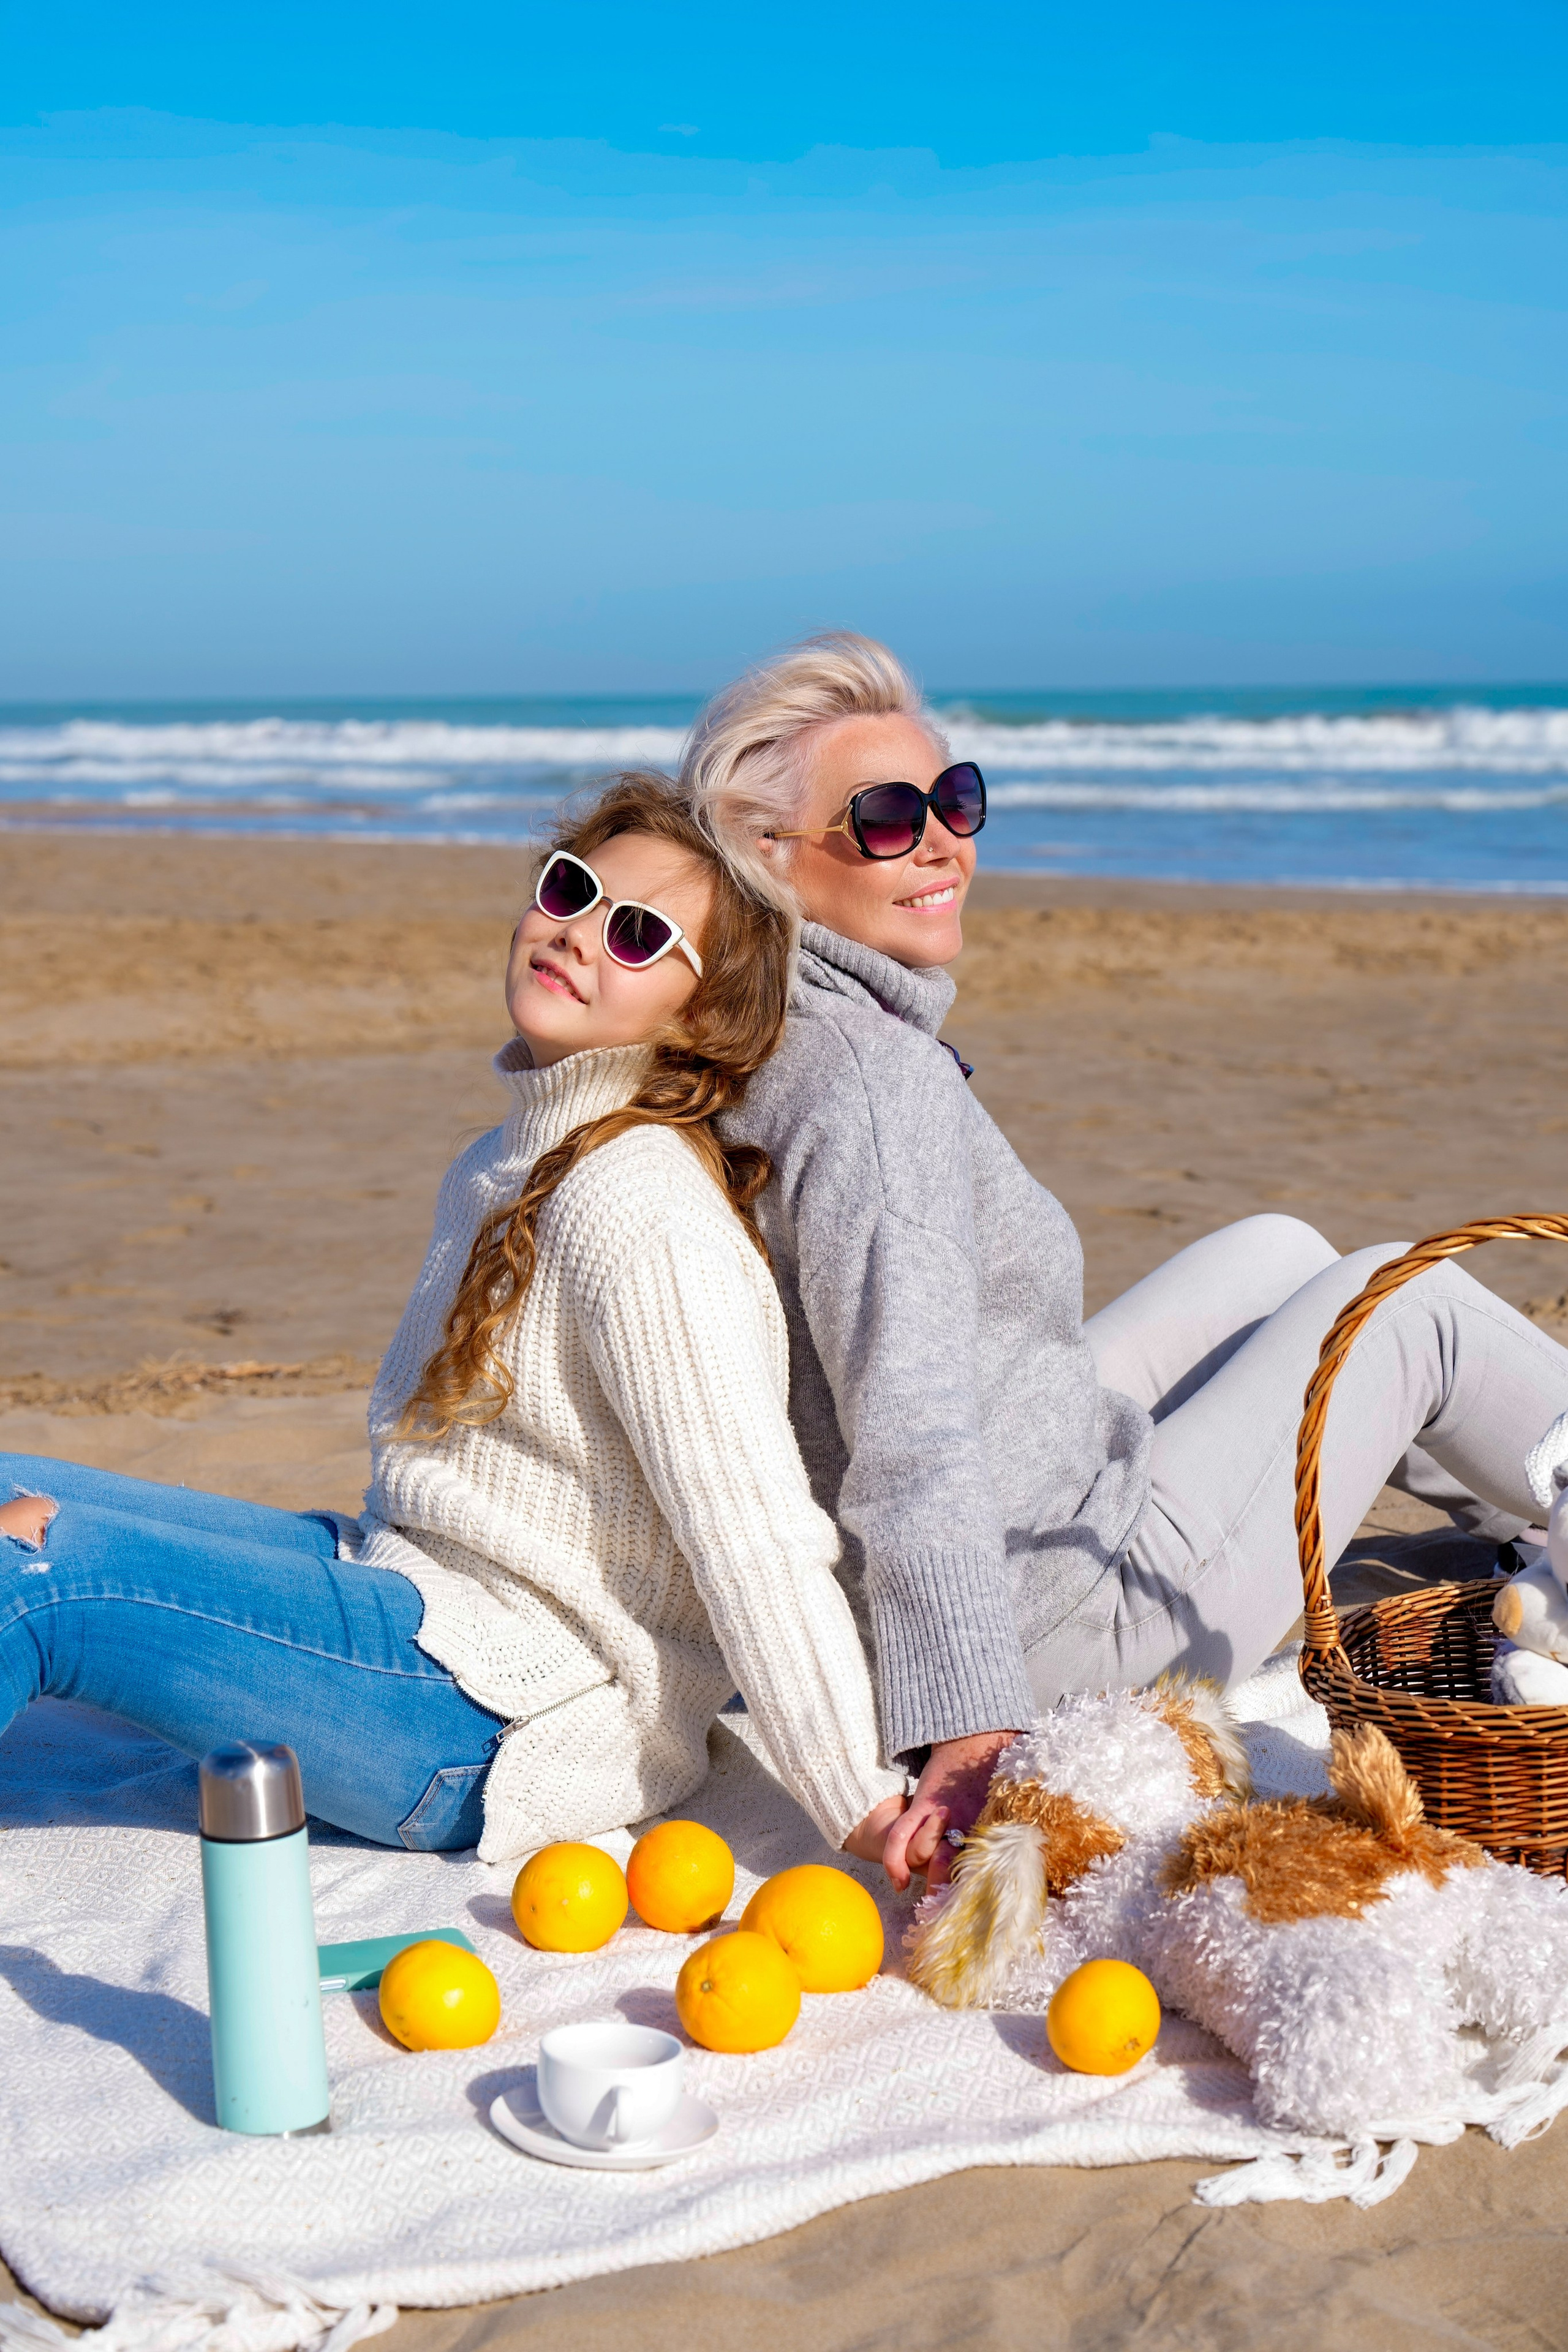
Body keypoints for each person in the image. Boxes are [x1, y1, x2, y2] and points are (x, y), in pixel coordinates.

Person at [685, 631, 1568, 1890]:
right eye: (883, 818)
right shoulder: (868, 1091)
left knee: (1281, 1251)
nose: (940, 841)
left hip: (1030, 1487)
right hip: (1064, 1626)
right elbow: (909, 1434)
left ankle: (1526, 1542)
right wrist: (968, 1715)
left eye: (955, 799)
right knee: (1407, 1302)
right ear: (767, 856)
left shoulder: (784, 1021)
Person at [0, 774, 907, 1863]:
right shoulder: (498, 1161)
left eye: (637, 934)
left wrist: (857, 1794)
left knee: (43, 1578)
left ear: (701, 1014)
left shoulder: (646, 1209)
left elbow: (753, 1538)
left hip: (494, 1715)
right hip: (405, 1587)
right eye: (572, 892)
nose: (578, 935)